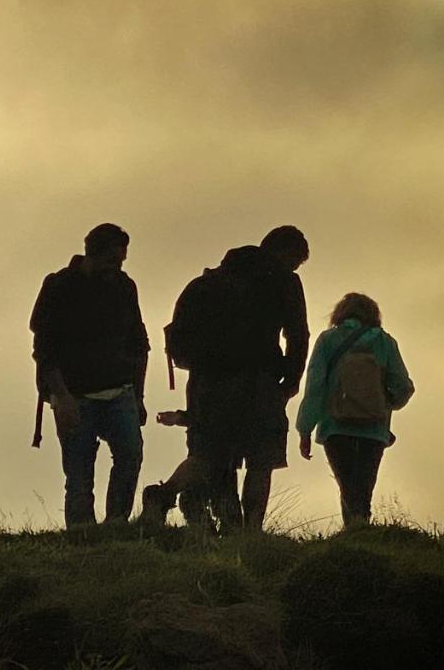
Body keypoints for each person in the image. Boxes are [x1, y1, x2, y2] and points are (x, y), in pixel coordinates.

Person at [143, 226, 310, 531]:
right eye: (296, 262)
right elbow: (298, 334)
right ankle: (251, 532)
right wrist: (292, 378)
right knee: (261, 460)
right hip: (260, 382)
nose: (295, 268)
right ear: (286, 255)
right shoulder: (283, 280)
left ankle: (162, 495)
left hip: (208, 382)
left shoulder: (208, 282)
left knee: (208, 456)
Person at [30, 223, 150, 527]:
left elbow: (139, 344)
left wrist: (138, 395)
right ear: (91, 253)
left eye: (122, 260)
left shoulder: (124, 286)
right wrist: (61, 396)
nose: (118, 267)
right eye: (113, 259)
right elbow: (44, 348)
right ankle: (82, 534)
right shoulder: (59, 286)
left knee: (130, 456)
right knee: (79, 473)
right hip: (74, 395)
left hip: (119, 391)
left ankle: (116, 524)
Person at [296, 293, 414, 528]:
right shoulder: (385, 342)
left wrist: (305, 429)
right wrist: (386, 404)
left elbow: (315, 386)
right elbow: (403, 386)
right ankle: (361, 532)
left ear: (339, 313)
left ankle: (355, 535)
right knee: (363, 487)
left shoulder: (328, 340)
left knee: (347, 486)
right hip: (373, 429)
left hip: (336, 427)